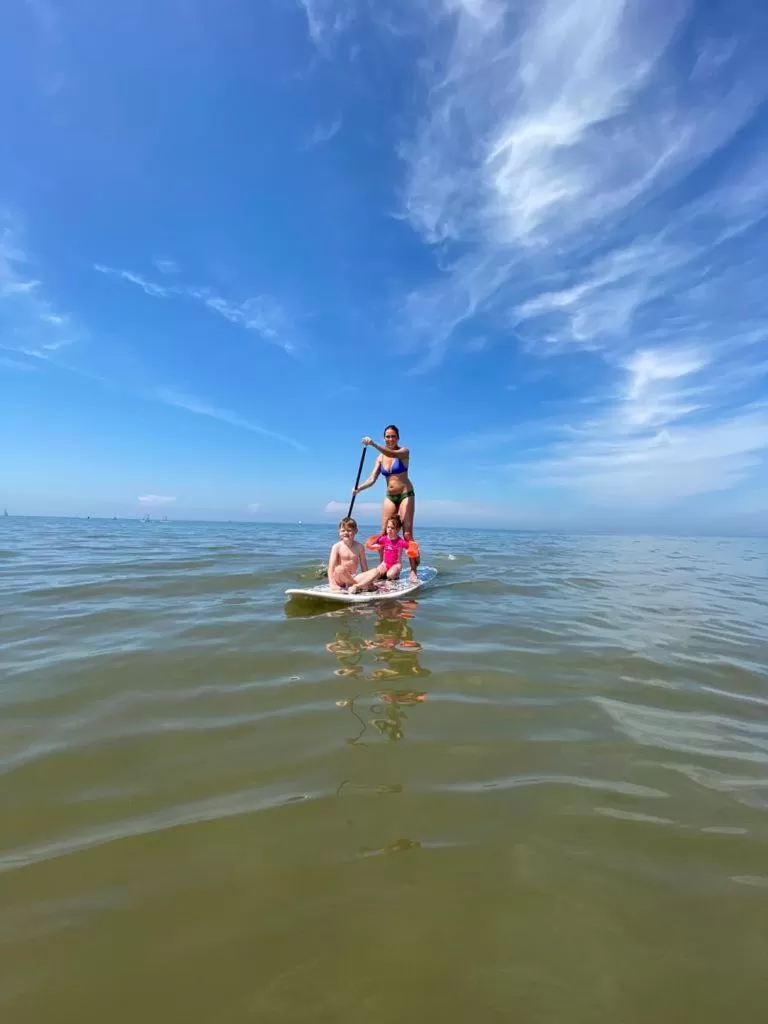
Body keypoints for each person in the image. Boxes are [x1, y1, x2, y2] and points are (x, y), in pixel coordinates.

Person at [352, 424, 419, 580]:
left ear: (398, 438)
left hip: (405, 494)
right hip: (390, 496)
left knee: (407, 533)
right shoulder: (380, 457)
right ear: (384, 438)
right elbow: (372, 479)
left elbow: (391, 453)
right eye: (387, 436)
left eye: (393, 436)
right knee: (383, 533)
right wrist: (358, 488)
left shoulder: (404, 451)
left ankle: (413, 569)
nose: (390, 439)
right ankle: (384, 568)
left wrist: (373, 444)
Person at [327, 517, 376, 594]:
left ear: (356, 531)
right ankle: (359, 585)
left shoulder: (359, 547)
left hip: (353, 577)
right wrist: (332, 584)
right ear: (339, 532)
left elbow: (364, 567)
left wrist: (368, 579)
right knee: (340, 569)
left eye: (349, 530)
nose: (345, 533)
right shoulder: (337, 547)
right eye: (343, 530)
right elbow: (331, 568)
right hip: (340, 578)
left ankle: (356, 586)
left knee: (376, 571)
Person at [366, 515, 410, 583]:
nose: (389, 529)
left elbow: (409, 547)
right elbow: (373, 542)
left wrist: (408, 551)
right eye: (388, 527)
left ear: (398, 529)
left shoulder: (400, 541)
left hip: (396, 565)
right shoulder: (383, 539)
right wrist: (373, 546)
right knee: (376, 573)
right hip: (385, 563)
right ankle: (382, 576)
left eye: (392, 528)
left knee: (390, 575)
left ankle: (396, 576)